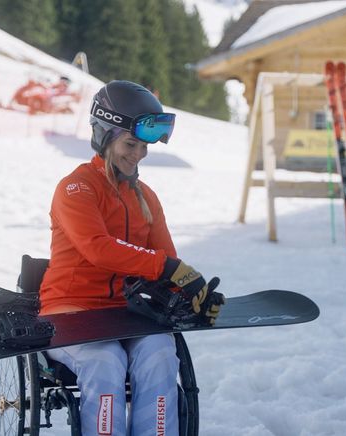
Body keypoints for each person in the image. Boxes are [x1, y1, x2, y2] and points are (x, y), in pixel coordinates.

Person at [39, 80, 222, 435]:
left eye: (144, 147)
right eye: (130, 144)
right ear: (105, 137)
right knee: (106, 362)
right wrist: (166, 266)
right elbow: (97, 247)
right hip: (72, 311)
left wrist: (193, 294)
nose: (138, 154)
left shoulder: (146, 197)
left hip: (129, 313)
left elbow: (168, 259)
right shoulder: (76, 188)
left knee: (159, 357)